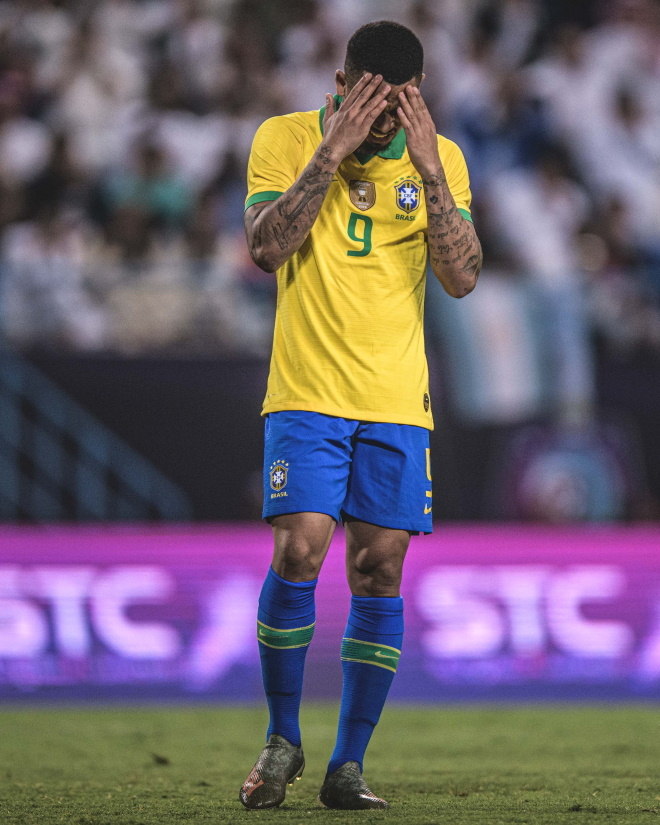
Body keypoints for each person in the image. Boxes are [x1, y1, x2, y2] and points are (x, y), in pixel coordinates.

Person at [239, 20, 481, 811]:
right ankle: (281, 740)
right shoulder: (283, 138)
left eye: (392, 109)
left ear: (412, 101)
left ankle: (347, 766)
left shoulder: (439, 159)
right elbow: (267, 249)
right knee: (301, 549)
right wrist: (330, 153)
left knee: (379, 569)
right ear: (340, 84)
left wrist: (428, 171)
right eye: (362, 102)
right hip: (306, 392)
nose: (375, 120)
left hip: (394, 403)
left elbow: (463, 277)